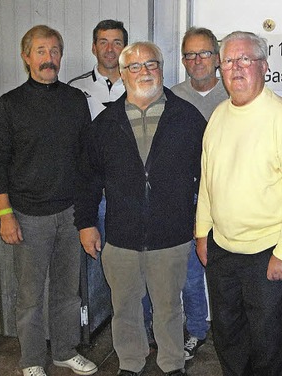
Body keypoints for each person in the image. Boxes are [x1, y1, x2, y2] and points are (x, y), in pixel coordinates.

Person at [75, 41, 206, 376]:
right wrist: (86, 223)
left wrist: (201, 223)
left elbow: (206, 177)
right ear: (122, 74)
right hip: (120, 237)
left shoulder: (188, 117)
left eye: (152, 64)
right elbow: (88, 179)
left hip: (172, 236)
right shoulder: (104, 124)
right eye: (135, 66)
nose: (144, 72)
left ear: (162, 68)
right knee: (126, 309)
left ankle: (172, 364)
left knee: (168, 308)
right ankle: (131, 363)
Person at [195, 31, 282, 376]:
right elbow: (209, 180)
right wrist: (203, 231)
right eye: (229, 61)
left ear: (264, 66)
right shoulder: (219, 117)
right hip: (222, 250)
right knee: (228, 336)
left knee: (270, 343)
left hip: (268, 252)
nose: (236, 68)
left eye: (245, 59)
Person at [0, 25, 97, 376]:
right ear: (26, 56)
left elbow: (85, 160)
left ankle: (64, 350)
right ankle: (31, 360)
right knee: (30, 296)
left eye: (54, 51)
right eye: (40, 51)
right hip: (28, 217)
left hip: (70, 214)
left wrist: (85, 216)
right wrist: (6, 214)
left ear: (60, 56)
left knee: (67, 291)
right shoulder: (9, 105)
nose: (49, 58)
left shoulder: (76, 100)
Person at [170, 26, 229, 361]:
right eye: (190, 55)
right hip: (186, 200)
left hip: (228, 203)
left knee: (223, 277)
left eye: (204, 53)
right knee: (191, 274)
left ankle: (228, 335)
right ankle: (196, 330)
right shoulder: (171, 96)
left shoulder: (235, 93)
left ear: (218, 58)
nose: (197, 61)